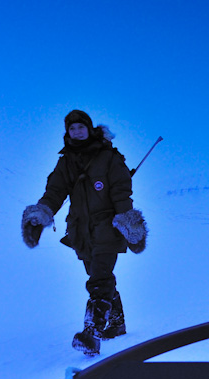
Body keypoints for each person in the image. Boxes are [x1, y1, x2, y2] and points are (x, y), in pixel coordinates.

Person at [21, 110, 147, 356]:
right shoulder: (66, 161)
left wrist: (128, 221)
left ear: (89, 129)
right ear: (67, 133)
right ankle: (117, 322)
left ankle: (92, 333)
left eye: (81, 127)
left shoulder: (109, 157)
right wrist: (41, 214)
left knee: (99, 279)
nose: (77, 132)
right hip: (80, 231)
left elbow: (122, 191)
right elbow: (55, 192)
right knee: (99, 275)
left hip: (108, 227)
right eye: (72, 128)